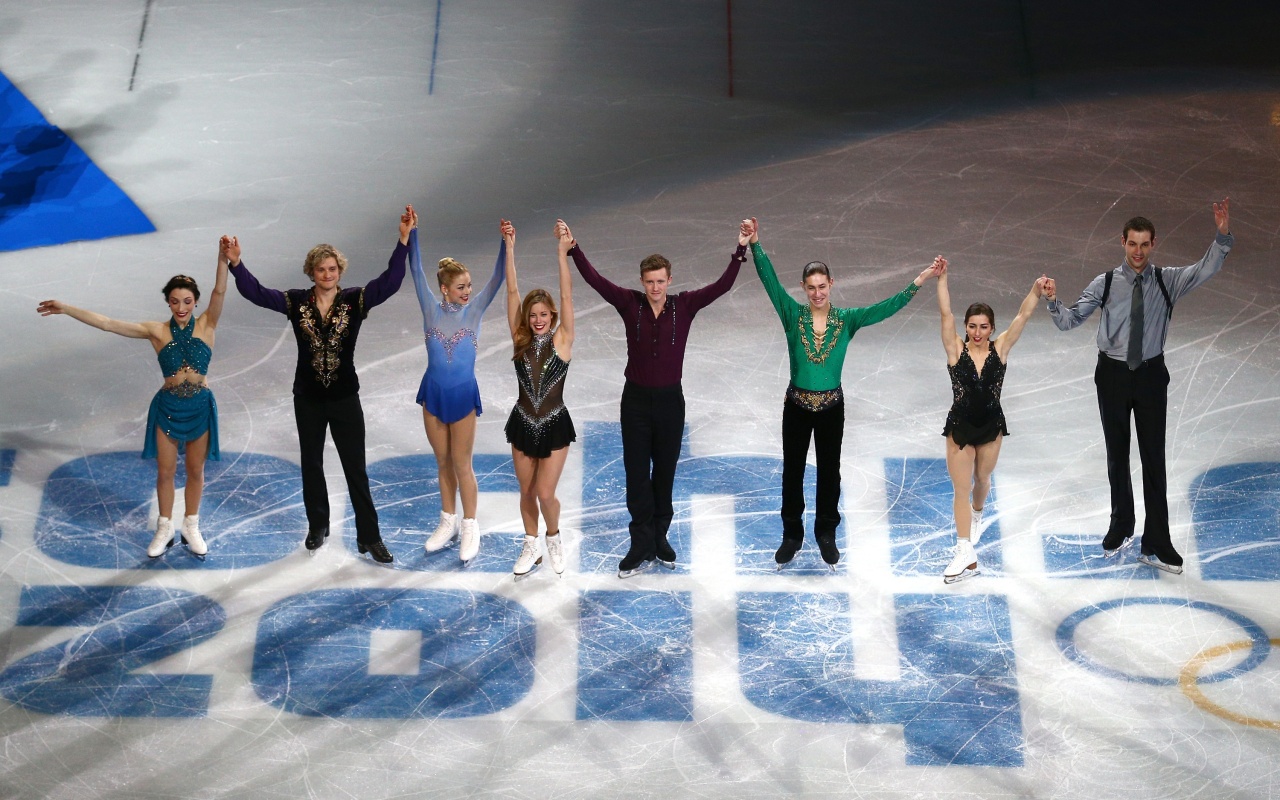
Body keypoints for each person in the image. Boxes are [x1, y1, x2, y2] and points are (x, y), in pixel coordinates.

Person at [1043, 198, 1232, 574]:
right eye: (1133, 244)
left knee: (1153, 460)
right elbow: (1069, 321)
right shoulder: (1107, 282)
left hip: (1149, 376)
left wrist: (1222, 235)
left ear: (1154, 244)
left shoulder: (1167, 280)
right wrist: (1051, 301)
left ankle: (1156, 540)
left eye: (1145, 244)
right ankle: (1121, 523)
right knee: (1117, 455)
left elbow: (1206, 267)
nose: (1139, 252)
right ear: (1123, 243)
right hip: (1111, 376)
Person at [223, 206, 416, 564]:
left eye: (332, 268)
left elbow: (390, 281)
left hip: (345, 397)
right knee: (311, 464)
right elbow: (256, 293)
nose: (327, 274)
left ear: (339, 271)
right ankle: (318, 526)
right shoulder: (296, 302)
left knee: (355, 467)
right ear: (312, 272)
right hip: (308, 398)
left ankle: (369, 536)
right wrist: (237, 264)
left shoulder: (354, 299)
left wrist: (403, 240)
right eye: (321, 269)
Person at [747, 218, 939, 570]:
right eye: (811, 287)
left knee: (829, 471)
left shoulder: (847, 320)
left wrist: (920, 280)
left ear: (831, 284)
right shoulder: (792, 315)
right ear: (804, 289)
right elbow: (769, 282)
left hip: (832, 407)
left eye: (822, 286)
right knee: (792, 471)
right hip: (797, 405)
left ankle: (826, 533)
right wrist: (756, 244)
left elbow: (886, 307)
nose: (817, 293)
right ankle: (792, 535)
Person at [565, 218, 746, 578]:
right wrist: (574, 249)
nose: (655, 287)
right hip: (634, 403)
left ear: (670, 281)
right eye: (649, 281)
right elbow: (596, 281)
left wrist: (740, 249)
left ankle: (659, 536)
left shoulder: (685, 306)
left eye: (660, 281)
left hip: (669, 403)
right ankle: (640, 541)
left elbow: (722, 286)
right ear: (642, 282)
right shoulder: (629, 304)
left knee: (664, 472)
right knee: (636, 473)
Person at [37, 250, 229, 560]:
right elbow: (108, 323)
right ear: (168, 301)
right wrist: (66, 308)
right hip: (168, 409)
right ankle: (165, 527)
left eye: (188, 301)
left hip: (199, 408)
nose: (181, 307)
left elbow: (220, 290)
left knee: (196, 470)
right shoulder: (156, 331)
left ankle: (190, 526)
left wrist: (223, 259)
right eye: (175, 301)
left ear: (195, 302)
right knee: (165, 472)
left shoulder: (208, 324)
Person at [934, 256, 1046, 582]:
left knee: (982, 481)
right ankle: (964, 550)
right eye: (972, 326)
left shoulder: (1002, 349)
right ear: (965, 327)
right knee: (961, 487)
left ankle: (978, 514)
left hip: (992, 427)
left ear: (992, 328)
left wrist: (1036, 291)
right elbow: (944, 313)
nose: (977, 332)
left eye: (984, 326)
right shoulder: (955, 350)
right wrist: (942, 278)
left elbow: (1024, 314)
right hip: (960, 426)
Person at [413, 219, 507, 563]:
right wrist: (414, 233)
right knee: (442, 462)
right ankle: (447, 521)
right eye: (461, 286)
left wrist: (504, 243)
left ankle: (470, 524)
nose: (468, 291)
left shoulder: (475, 311)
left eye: (469, 285)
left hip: (463, 396)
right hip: (433, 394)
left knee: (462, 464)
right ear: (444, 288)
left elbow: (497, 280)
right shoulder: (429, 309)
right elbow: (415, 267)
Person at [502, 219, 577, 577]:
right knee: (527, 490)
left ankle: (553, 538)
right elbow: (512, 293)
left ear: (552, 317)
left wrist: (561, 252)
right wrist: (510, 248)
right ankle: (530, 544)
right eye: (532, 315)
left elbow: (565, 295)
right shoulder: (520, 341)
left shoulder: (563, 342)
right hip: (522, 422)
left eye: (543, 315)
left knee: (545, 492)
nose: (537, 320)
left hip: (554, 424)